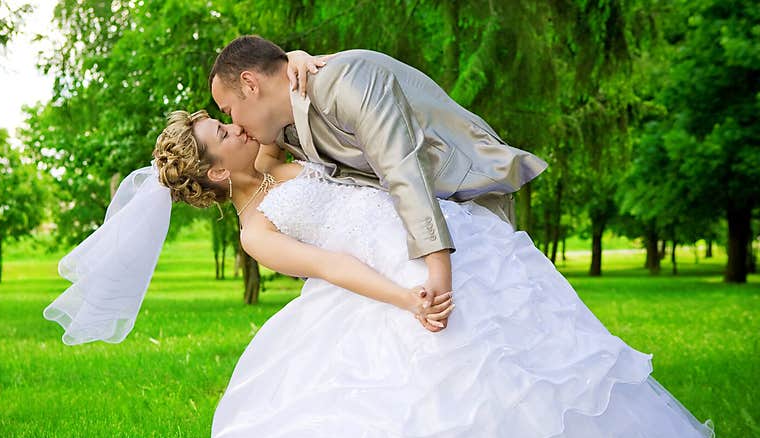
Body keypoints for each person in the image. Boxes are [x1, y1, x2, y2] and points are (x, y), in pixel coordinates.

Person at [45, 105, 718, 438]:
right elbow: (334, 266)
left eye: (223, 118)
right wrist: (405, 296)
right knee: (456, 392)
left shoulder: (277, 149)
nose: (233, 125)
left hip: (438, 233)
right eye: (220, 132)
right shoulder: (256, 230)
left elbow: (307, 102)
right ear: (217, 174)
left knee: (536, 364)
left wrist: (302, 62)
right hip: (384, 278)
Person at [209, 35, 549, 330]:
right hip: (403, 236)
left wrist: (438, 271)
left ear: (251, 85)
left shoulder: (347, 83)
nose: (234, 123)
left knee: (496, 323)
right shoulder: (283, 127)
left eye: (227, 111)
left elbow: (402, 168)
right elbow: (247, 168)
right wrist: (290, 57)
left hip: (463, 189)